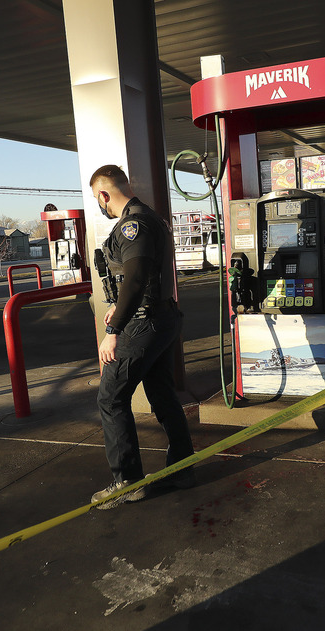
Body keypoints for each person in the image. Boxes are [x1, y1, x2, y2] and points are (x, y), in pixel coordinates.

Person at [89, 164, 195, 510]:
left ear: (104, 194)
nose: (99, 206)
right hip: (160, 317)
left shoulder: (132, 225)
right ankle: (182, 468)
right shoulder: (151, 217)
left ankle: (127, 482)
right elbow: (141, 281)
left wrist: (113, 331)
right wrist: (118, 308)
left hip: (144, 324)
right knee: (163, 394)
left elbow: (135, 280)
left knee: (111, 398)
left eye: (97, 200)